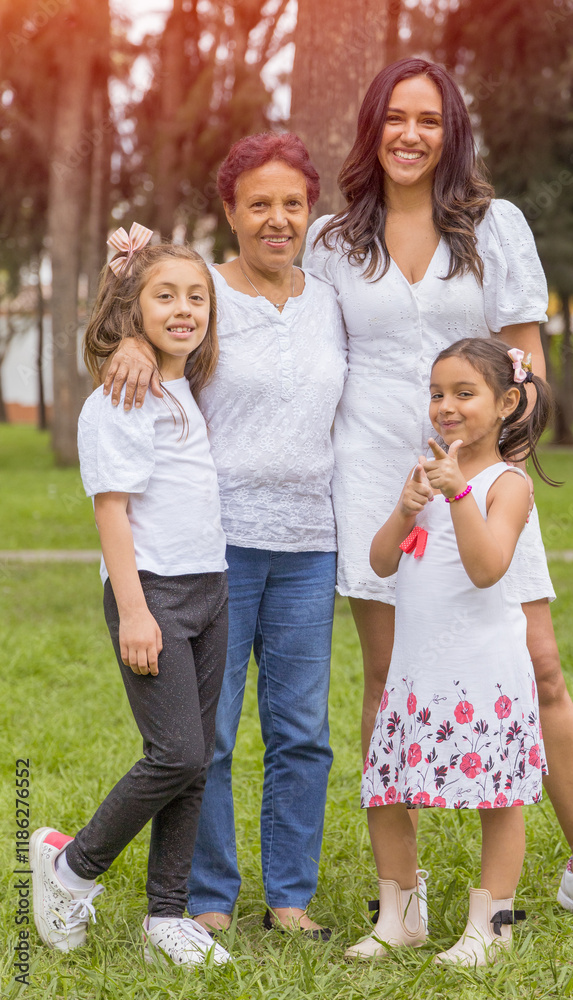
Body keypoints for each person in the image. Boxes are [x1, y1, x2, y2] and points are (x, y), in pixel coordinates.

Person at [304, 57, 573, 925]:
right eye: (394, 117)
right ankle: (402, 899)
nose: (410, 135)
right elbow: (291, 342)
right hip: (376, 478)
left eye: (429, 120)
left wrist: (498, 476)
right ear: (371, 127)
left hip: (484, 478)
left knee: (540, 663)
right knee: (386, 677)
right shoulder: (331, 242)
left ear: (452, 133)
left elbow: (525, 366)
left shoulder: (496, 226)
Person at [100, 134, 347, 937]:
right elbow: (152, 320)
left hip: (310, 543)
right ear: (231, 212)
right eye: (258, 204)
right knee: (209, 733)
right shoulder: (203, 291)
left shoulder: (330, 299)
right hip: (219, 547)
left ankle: (289, 898)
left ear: (310, 212)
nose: (277, 219)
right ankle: (207, 897)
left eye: (292, 204)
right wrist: (128, 341)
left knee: (302, 731)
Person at [30, 231, 231, 966]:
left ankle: (166, 918)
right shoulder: (120, 397)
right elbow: (110, 511)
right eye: (164, 296)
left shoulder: (181, 385)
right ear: (133, 307)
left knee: (195, 762)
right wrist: (137, 610)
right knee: (174, 753)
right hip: (153, 596)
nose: (184, 310)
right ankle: (70, 869)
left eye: (196, 297)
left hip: (210, 588)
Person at [346, 338, 553, 966]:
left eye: (465, 393)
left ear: (507, 403)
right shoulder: (426, 474)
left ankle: (490, 928)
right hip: (416, 677)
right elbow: (380, 564)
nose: (446, 406)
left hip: (482, 677)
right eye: (437, 393)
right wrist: (405, 509)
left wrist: (459, 494)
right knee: (387, 789)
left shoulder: (506, 484)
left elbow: (487, 568)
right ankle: (400, 917)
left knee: (496, 798)